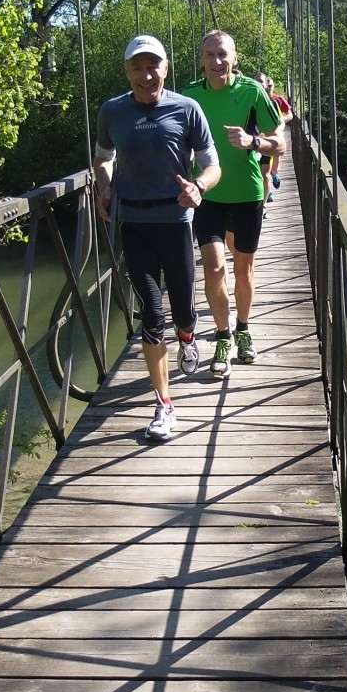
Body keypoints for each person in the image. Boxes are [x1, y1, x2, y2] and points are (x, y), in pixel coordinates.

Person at [94, 34, 221, 441]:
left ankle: (188, 335)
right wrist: (105, 185)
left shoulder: (186, 108)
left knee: (182, 308)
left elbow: (212, 163)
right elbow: (102, 156)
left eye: (153, 66)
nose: (146, 75)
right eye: (137, 67)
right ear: (127, 71)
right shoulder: (112, 111)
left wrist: (199, 186)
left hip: (176, 221)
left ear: (165, 68)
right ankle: (164, 405)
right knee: (151, 311)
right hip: (133, 223)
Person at [184, 32, 284, 377]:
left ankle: (243, 328)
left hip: (247, 194)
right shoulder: (189, 97)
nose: (216, 61)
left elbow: (280, 144)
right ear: (201, 60)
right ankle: (223, 337)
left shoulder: (252, 92)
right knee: (213, 268)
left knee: (243, 272)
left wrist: (253, 141)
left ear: (234, 58)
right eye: (209, 54)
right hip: (207, 195)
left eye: (222, 54)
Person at [254, 71, 293, 205]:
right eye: (256, 82)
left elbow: (289, 115)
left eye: (265, 83)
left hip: (269, 140)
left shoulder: (276, 101)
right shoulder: (247, 100)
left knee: (266, 174)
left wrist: (280, 123)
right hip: (252, 142)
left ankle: (263, 205)